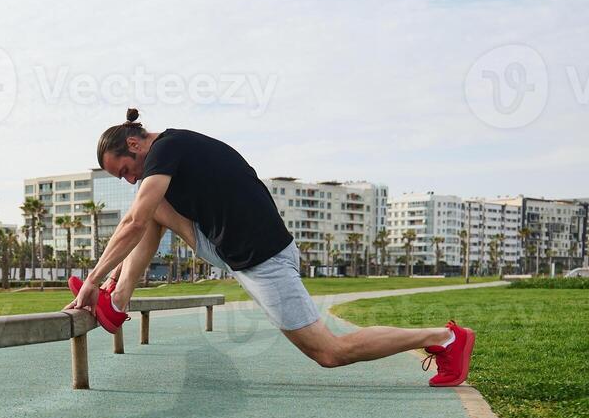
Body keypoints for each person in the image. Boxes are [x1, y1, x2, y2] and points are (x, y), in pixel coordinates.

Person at [63, 109, 475, 386]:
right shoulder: (174, 150)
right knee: (149, 209)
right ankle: (117, 301)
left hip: (265, 262)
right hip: (230, 249)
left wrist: (91, 281)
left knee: (329, 352)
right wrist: (109, 280)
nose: (130, 179)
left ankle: (445, 338)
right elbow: (142, 219)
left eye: (125, 171)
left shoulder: (169, 149)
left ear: (134, 146)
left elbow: (134, 221)